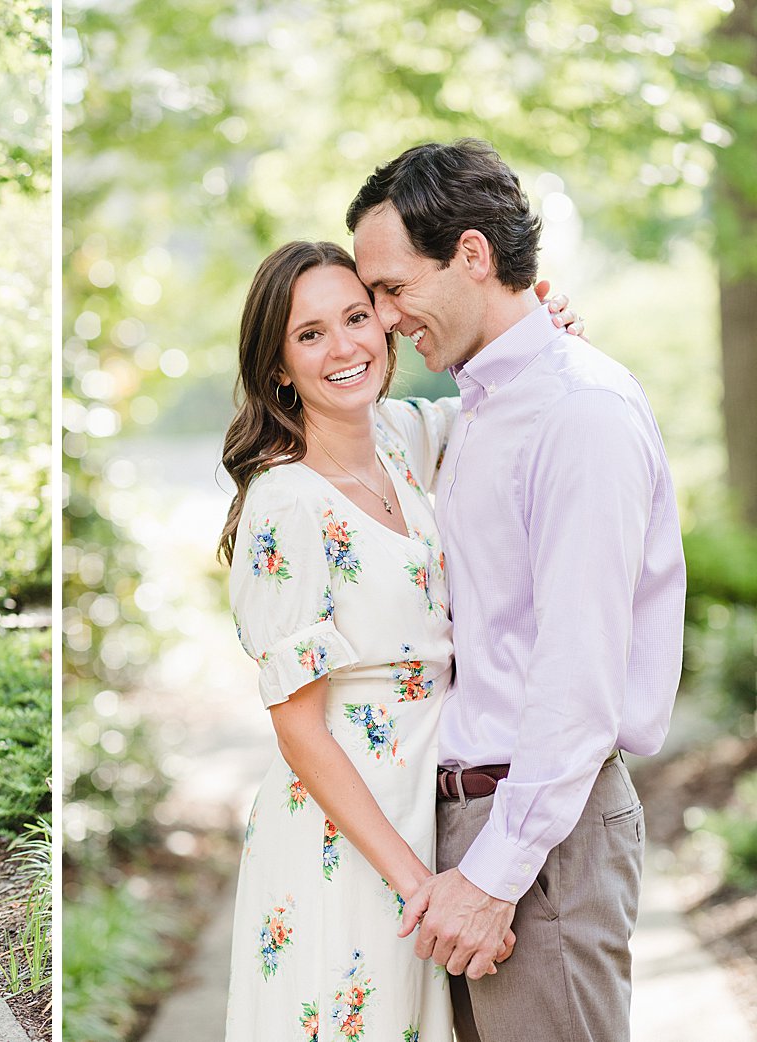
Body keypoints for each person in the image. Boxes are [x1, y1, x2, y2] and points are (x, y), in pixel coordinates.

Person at [347, 139, 685, 1042]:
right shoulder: (480, 407)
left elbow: (579, 677)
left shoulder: (580, 412)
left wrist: (497, 874)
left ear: (470, 254)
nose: (382, 320)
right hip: (469, 828)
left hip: (539, 840)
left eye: (390, 289)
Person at [219, 242, 581, 1041]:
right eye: (309, 334)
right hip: (347, 841)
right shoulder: (285, 503)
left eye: (356, 317)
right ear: (278, 366)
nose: (345, 347)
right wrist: (422, 887)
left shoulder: (407, 440)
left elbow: (512, 390)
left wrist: (547, 324)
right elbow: (298, 728)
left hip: (431, 810)